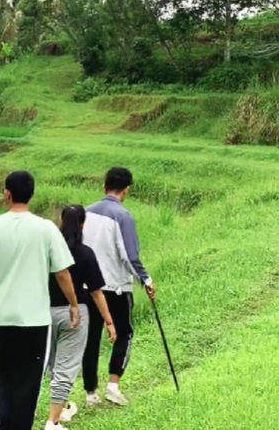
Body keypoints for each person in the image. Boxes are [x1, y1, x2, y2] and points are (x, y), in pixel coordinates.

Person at [0, 171, 80, 430]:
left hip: (1, 318)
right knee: (29, 380)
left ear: (6, 194)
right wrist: (74, 305)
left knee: (5, 369)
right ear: (31, 195)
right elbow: (63, 273)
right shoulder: (46, 228)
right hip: (34, 320)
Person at [81, 166, 155, 407]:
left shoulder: (86, 212)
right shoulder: (123, 216)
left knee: (90, 339)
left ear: (104, 187)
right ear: (126, 190)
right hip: (116, 287)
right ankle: (113, 385)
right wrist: (146, 280)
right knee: (124, 333)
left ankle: (90, 393)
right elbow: (130, 256)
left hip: (88, 287)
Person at [44, 205, 117, 430]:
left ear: (61, 221)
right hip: (74, 314)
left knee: (54, 365)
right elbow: (96, 292)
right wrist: (109, 321)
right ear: (82, 224)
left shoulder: (48, 249)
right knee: (66, 367)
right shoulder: (85, 253)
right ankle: (52, 422)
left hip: (45, 312)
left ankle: (63, 409)